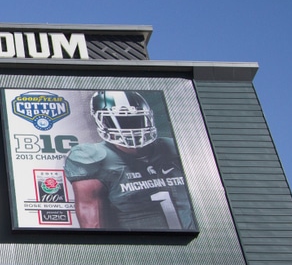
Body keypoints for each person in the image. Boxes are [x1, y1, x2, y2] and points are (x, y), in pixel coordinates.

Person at [64, 91, 194, 231]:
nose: (130, 128)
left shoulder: (174, 149)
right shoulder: (92, 157)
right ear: (101, 121)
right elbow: (94, 228)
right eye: (119, 120)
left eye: (135, 119)